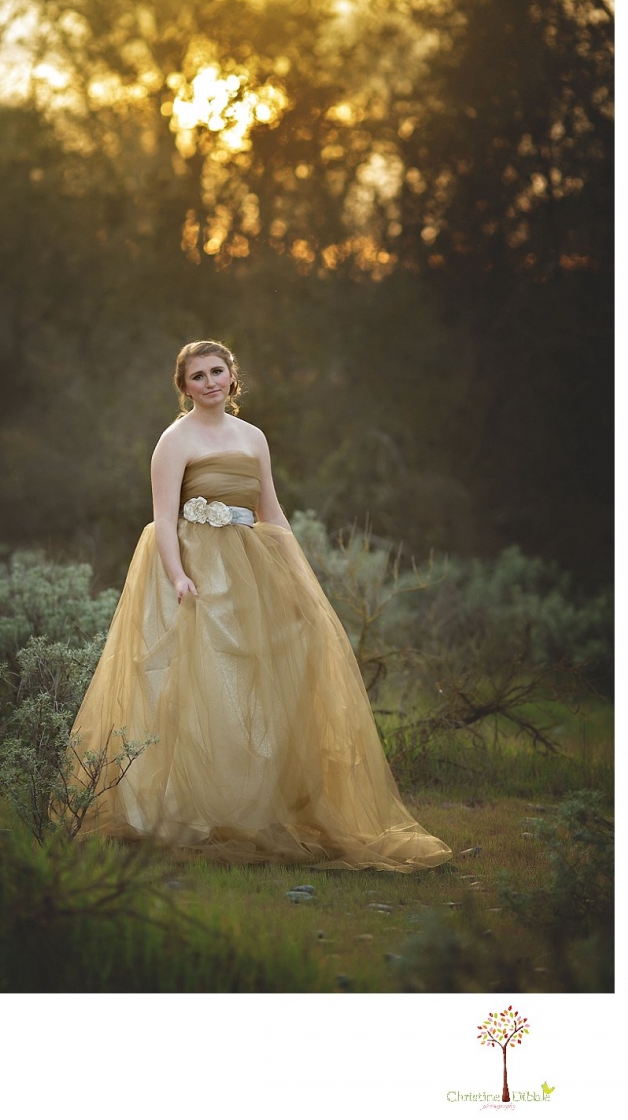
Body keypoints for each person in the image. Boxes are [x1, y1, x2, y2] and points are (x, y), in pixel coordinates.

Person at [61, 339, 451, 870]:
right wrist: (178, 576)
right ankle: (183, 811)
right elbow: (163, 519)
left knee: (252, 684)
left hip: (249, 569)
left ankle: (248, 807)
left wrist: (297, 574)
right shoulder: (174, 441)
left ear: (232, 376)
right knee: (200, 683)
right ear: (184, 387)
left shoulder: (253, 437)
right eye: (197, 376)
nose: (209, 383)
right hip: (198, 569)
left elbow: (272, 511)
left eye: (216, 371)